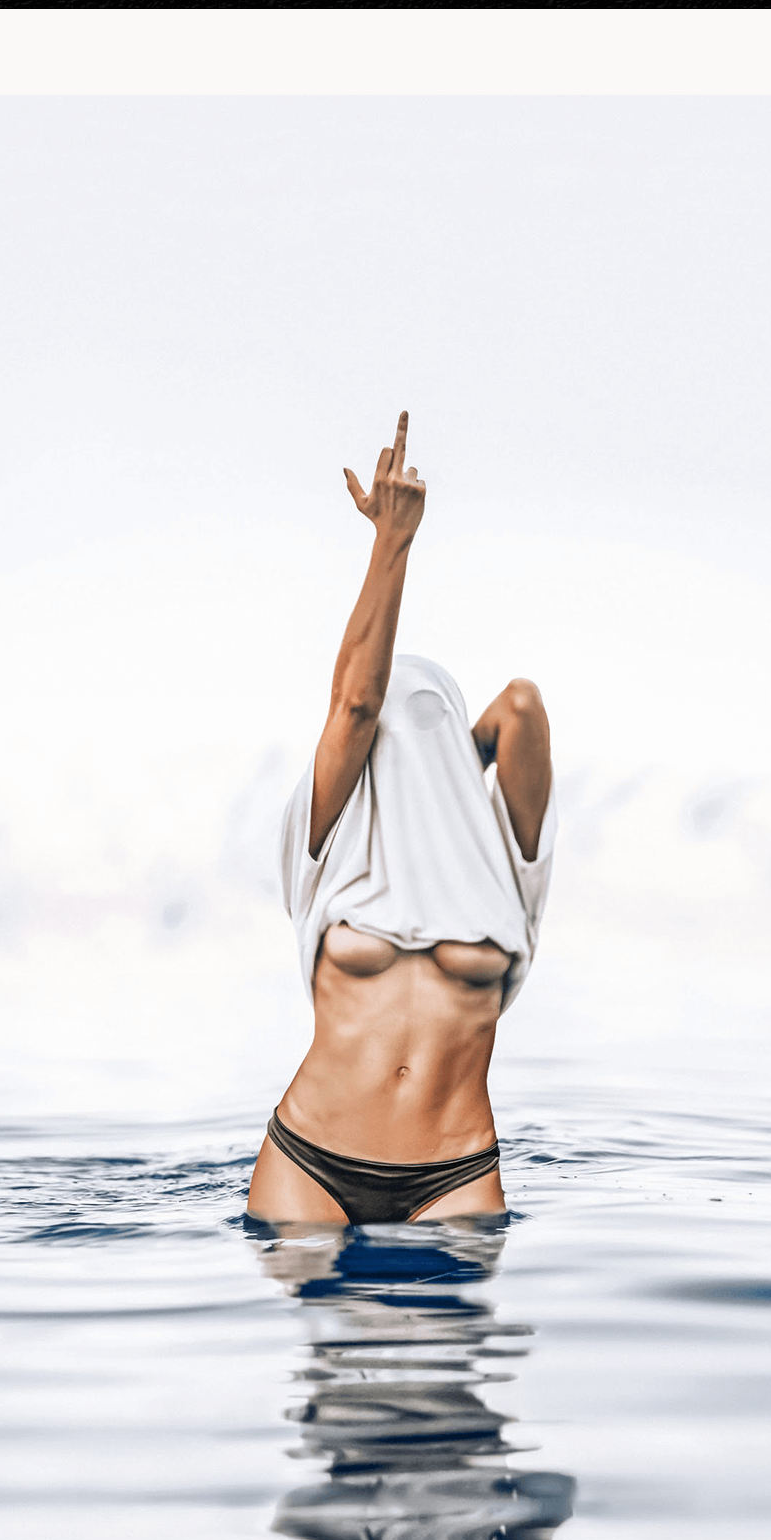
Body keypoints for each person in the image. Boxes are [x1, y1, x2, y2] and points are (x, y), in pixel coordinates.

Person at [245, 412, 556, 1226]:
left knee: (455, 1356)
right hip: (310, 1161)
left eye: (433, 730)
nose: (409, 745)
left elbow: (522, 706)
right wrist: (392, 542)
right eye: (398, 736)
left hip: (454, 1173)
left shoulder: (501, 860)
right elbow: (354, 705)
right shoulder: (324, 837)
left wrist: (459, 761)